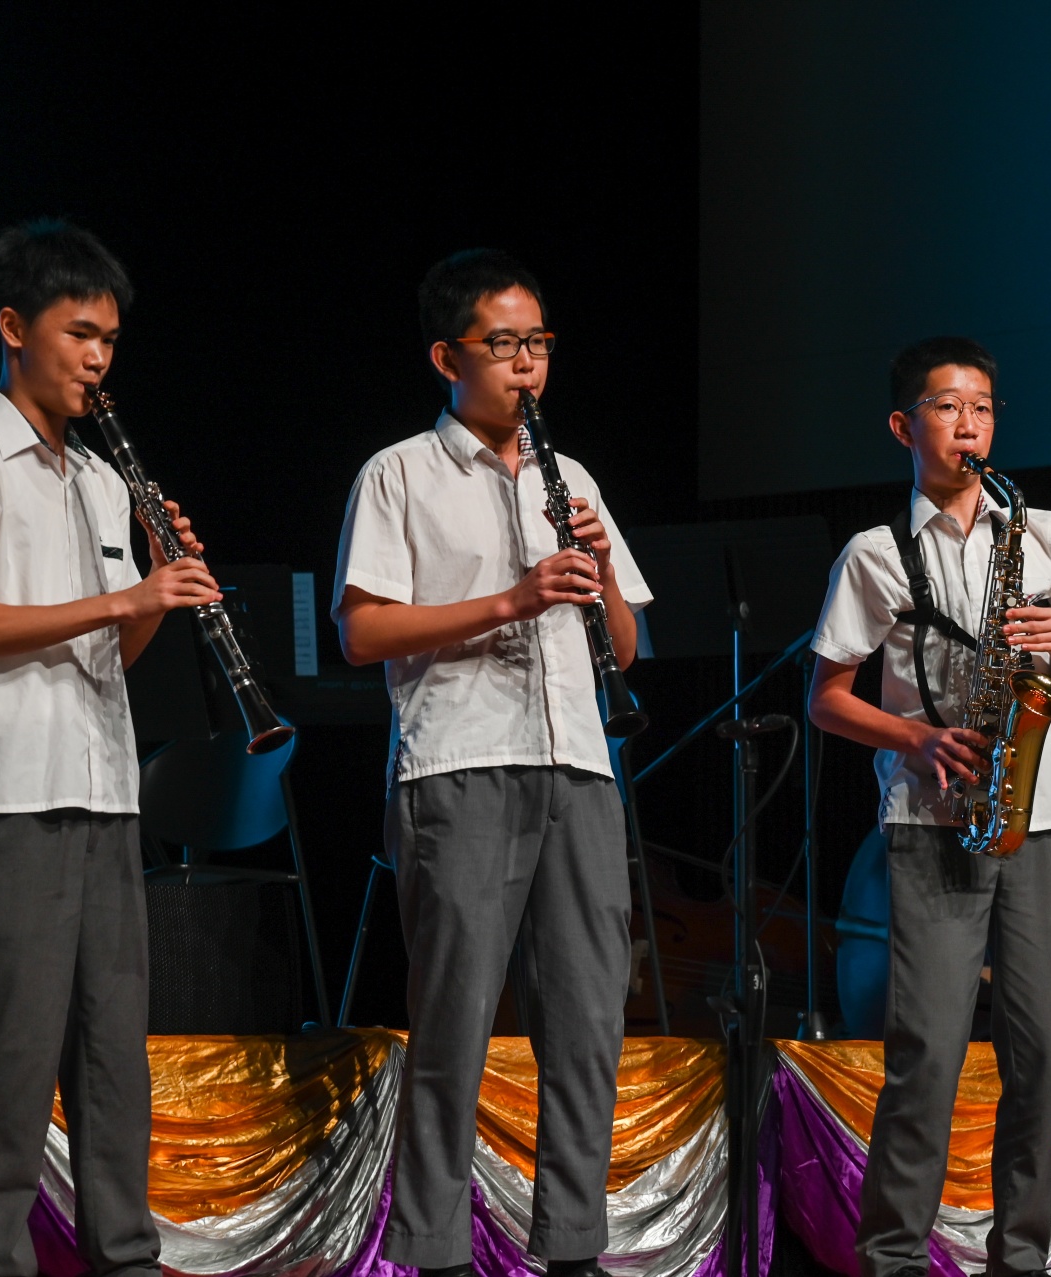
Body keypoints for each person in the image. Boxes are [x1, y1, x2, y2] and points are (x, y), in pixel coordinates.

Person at [0, 218, 220, 1277]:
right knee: (4, 1054)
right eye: (80, 333)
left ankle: (123, 1255)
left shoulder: (98, 480)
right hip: (3, 788)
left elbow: (109, 652)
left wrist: (156, 593)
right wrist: (127, 594)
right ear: (12, 327)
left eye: (110, 340)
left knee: (112, 1053)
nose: (97, 358)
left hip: (100, 783)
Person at [333, 248, 652, 1277]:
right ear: (448, 356)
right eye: (503, 343)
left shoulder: (574, 476)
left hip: (578, 763)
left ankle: (573, 1247)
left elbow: (623, 648)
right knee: (455, 1022)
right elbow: (362, 632)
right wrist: (511, 599)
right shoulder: (398, 473)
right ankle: (434, 1250)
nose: (526, 364)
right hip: (461, 761)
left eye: (538, 343)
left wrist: (599, 569)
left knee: (588, 1021)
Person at [807, 336, 1051, 1277]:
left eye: (982, 407)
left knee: (1041, 1050)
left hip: (1040, 818)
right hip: (931, 822)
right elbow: (826, 699)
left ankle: (1019, 1257)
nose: (969, 424)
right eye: (948, 407)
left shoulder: (1044, 533)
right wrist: (914, 739)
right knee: (927, 1052)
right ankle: (892, 1255)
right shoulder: (874, 553)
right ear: (904, 426)